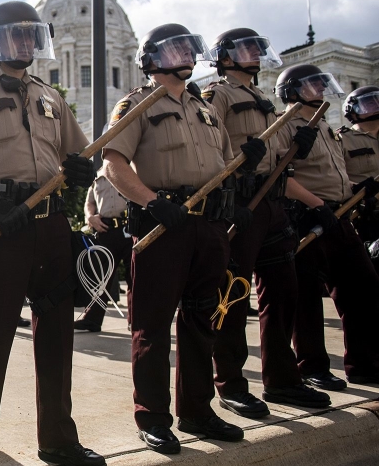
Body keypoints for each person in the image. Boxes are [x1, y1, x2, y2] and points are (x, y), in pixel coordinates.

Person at [0, 0, 104, 466]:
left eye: (32, 35)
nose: (25, 43)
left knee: (56, 336)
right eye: (15, 35)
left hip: (49, 226)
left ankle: (58, 441)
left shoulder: (51, 96)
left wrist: (82, 168)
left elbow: (79, 152)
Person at [103, 23, 256, 455]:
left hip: (207, 227)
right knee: (151, 326)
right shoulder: (137, 104)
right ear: (151, 59)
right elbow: (114, 162)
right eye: (174, 50)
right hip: (163, 223)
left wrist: (245, 172)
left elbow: (226, 164)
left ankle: (197, 410)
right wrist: (152, 203)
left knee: (201, 321)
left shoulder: (205, 109)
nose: (185, 55)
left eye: (189, 48)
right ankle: (152, 416)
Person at [202, 29, 330, 418]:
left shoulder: (265, 99)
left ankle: (282, 378)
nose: (255, 54)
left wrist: (293, 151)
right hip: (242, 201)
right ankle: (231, 384)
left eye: (257, 48)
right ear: (225, 56)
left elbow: (277, 163)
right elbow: (208, 150)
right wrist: (228, 195)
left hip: (273, 202)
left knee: (284, 291)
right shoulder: (215, 94)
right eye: (246, 49)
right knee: (234, 296)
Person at [274, 65, 379, 389]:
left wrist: (359, 188)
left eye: (322, 84)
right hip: (307, 218)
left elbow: (335, 174)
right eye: (312, 85)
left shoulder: (327, 127)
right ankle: (312, 367)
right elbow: (280, 176)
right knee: (306, 299)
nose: (320, 89)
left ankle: (363, 364)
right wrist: (316, 205)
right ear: (292, 91)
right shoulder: (285, 125)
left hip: (340, 217)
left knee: (364, 291)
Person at [76, 171, 131, 332]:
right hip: (106, 230)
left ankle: (136, 321)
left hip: (130, 227)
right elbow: (90, 202)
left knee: (135, 275)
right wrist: (90, 217)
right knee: (100, 276)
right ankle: (92, 319)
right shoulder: (97, 178)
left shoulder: (130, 169)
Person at [338, 86, 379, 270]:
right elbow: (332, 176)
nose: (377, 106)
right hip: (365, 217)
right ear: (353, 110)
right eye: (369, 103)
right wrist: (356, 188)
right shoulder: (341, 139)